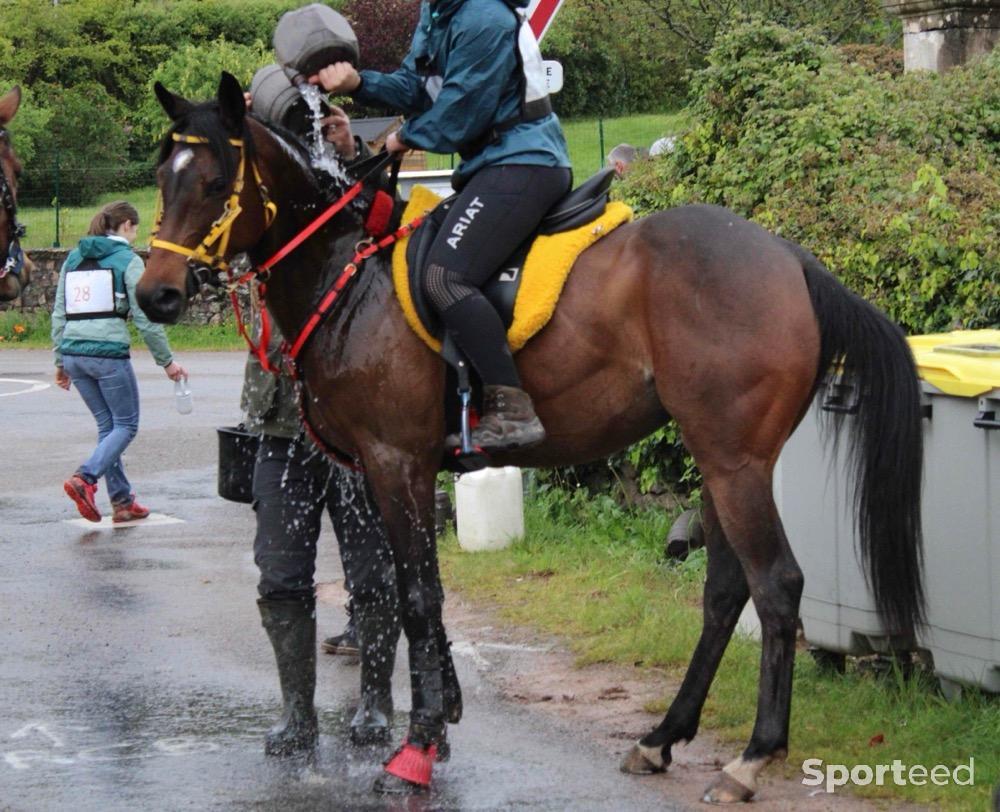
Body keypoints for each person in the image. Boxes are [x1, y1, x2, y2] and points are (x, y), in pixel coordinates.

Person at [309, 0, 573, 453]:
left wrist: (403, 139)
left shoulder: (484, 18)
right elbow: (416, 86)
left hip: (525, 162)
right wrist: (359, 82)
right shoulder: (438, 12)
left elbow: (459, 116)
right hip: (491, 167)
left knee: (444, 277)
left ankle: (513, 410)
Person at [242, 87, 404, 752]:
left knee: (372, 570)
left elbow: (388, 224)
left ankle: (375, 702)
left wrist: (354, 152)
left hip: (354, 425)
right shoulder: (259, 205)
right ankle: (297, 710)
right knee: (281, 575)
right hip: (280, 423)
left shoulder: (343, 199)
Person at [53, 201, 187, 523]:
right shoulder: (127, 260)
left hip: (73, 354)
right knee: (126, 425)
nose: (136, 236)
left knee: (108, 427)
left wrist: (60, 361)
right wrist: (167, 363)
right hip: (106, 356)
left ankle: (123, 502)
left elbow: (60, 311)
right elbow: (145, 319)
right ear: (126, 225)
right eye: (136, 228)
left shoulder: (73, 258)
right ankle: (85, 478)